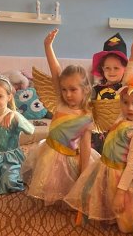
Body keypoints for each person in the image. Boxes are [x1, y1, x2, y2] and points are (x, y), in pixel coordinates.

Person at [65, 73, 133, 232]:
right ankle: (109, 214)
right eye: (125, 102)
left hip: (122, 174)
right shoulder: (122, 119)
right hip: (105, 166)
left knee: (125, 217)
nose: (129, 108)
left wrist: (121, 193)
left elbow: (132, 164)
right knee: (103, 192)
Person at [21, 29, 94, 204]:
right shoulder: (61, 102)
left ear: (85, 90)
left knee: (66, 183)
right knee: (48, 180)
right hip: (51, 150)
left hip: (70, 155)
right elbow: (56, 72)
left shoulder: (86, 117)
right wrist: (48, 46)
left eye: (73, 90)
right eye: (64, 89)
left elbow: (85, 146)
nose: (67, 94)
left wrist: (84, 175)